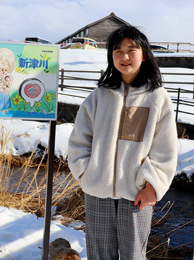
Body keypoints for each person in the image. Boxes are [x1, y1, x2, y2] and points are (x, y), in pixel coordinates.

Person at [68, 26, 178, 259]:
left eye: (131, 49)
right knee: (99, 254)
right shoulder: (99, 96)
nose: (124, 57)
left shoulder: (157, 97)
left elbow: (165, 148)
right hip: (97, 191)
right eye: (117, 51)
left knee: (133, 255)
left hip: (137, 192)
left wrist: (153, 186)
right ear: (111, 57)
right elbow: (80, 139)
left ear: (144, 54)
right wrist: (85, 172)